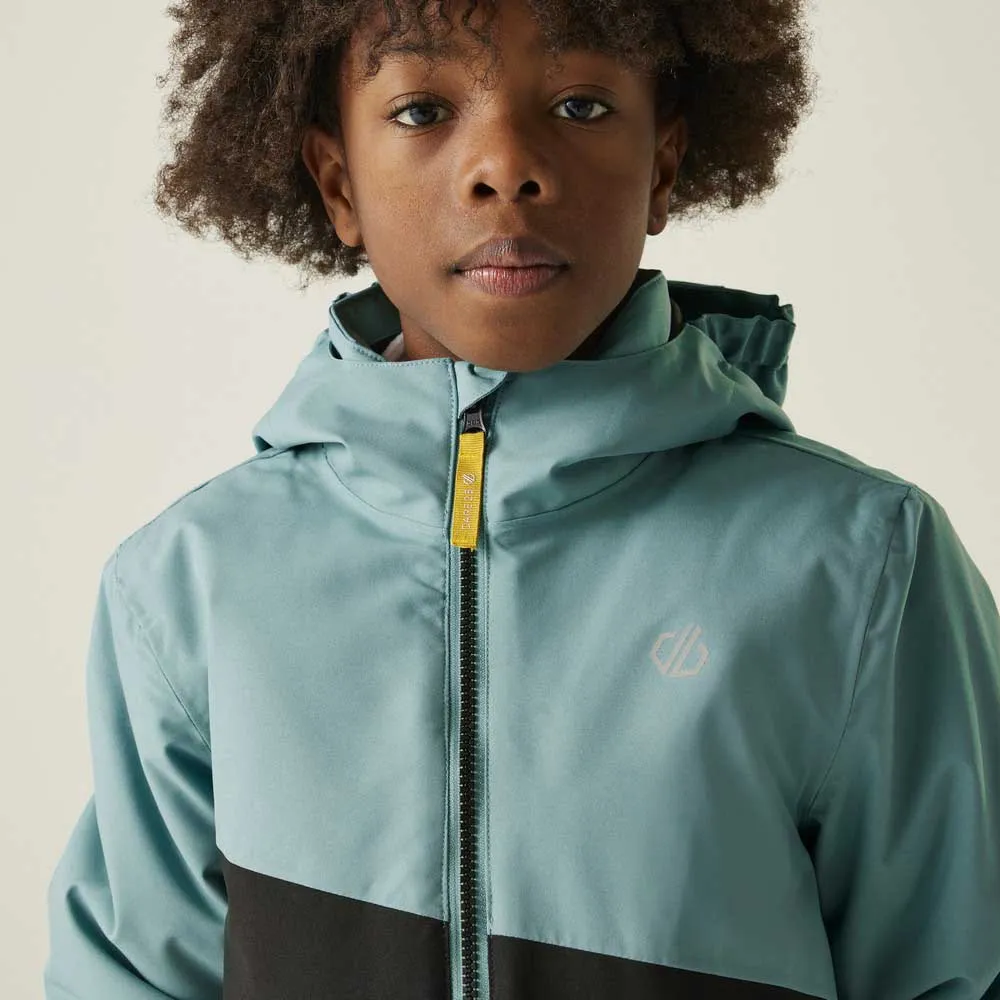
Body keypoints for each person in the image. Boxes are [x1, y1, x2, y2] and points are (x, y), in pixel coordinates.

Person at [44, 0, 1000, 997]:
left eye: (581, 105)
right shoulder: (193, 584)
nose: (505, 166)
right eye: (422, 111)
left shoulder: (860, 564)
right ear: (338, 183)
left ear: (663, 163)